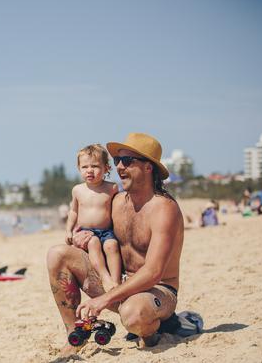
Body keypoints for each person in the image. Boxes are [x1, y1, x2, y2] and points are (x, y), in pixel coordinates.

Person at [47, 133, 185, 353]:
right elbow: (99, 232)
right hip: (116, 282)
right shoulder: (117, 201)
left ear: (149, 168)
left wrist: (102, 300)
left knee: (134, 314)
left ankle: (160, 329)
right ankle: (75, 336)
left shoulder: (164, 208)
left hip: (158, 290)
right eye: (117, 161)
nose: (119, 166)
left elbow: (154, 272)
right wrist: (82, 236)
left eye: (128, 161)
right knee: (57, 254)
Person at [64, 144, 120, 292]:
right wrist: (69, 230)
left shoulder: (112, 188)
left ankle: (116, 281)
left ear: (106, 168)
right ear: (78, 168)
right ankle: (105, 277)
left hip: (107, 230)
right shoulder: (78, 190)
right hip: (86, 232)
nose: (89, 170)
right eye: (85, 167)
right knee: (94, 243)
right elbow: (73, 212)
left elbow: (117, 211)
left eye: (95, 166)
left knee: (112, 246)